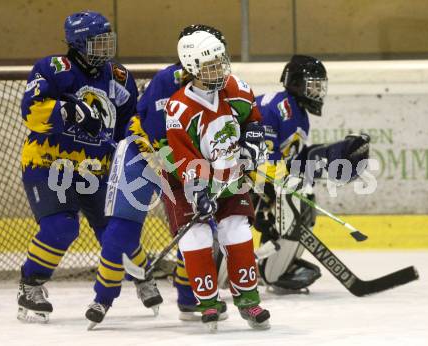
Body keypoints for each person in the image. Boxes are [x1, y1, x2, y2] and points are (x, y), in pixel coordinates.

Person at [95, 24, 229, 323]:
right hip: (144, 155)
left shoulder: (224, 84)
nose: (218, 61)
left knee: (196, 229)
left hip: (188, 162)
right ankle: (102, 299)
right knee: (120, 230)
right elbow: (158, 134)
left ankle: (190, 298)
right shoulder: (169, 81)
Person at [17, 11, 138, 323]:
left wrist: (134, 148)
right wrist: (70, 110)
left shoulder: (119, 77)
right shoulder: (53, 68)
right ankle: (30, 284)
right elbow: (31, 112)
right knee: (62, 227)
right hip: (48, 163)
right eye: (98, 43)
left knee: (115, 230)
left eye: (107, 41)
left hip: (95, 170)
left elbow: (129, 122)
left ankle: (143, 276)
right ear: (78, 43)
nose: (105, 48)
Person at [164, 30, 270, 331]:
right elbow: (183, 158)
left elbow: (253, 119)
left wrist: (252, 144)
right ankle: (209, 304)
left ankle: (249, 301)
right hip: (182, 181)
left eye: (221, 62)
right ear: (192, 68)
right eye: (210, 65)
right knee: (195, 235)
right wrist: (200, 192)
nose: (219, 69)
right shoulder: (179, 109)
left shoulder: (235, 88)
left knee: (236, 229)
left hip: (228, 172)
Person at [249, 55, 370, 293]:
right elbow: (260, 156)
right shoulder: (274, 108)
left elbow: (290, 158)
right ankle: (254, 267)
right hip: (240, 180)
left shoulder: (298, 113)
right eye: (313, 85)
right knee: (296, 197)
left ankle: (274, 266)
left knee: (303, 200)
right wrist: (270, 192)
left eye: (320, 86)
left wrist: (322, 156)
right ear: (295, 83)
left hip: (262, 179)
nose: (318, 92)